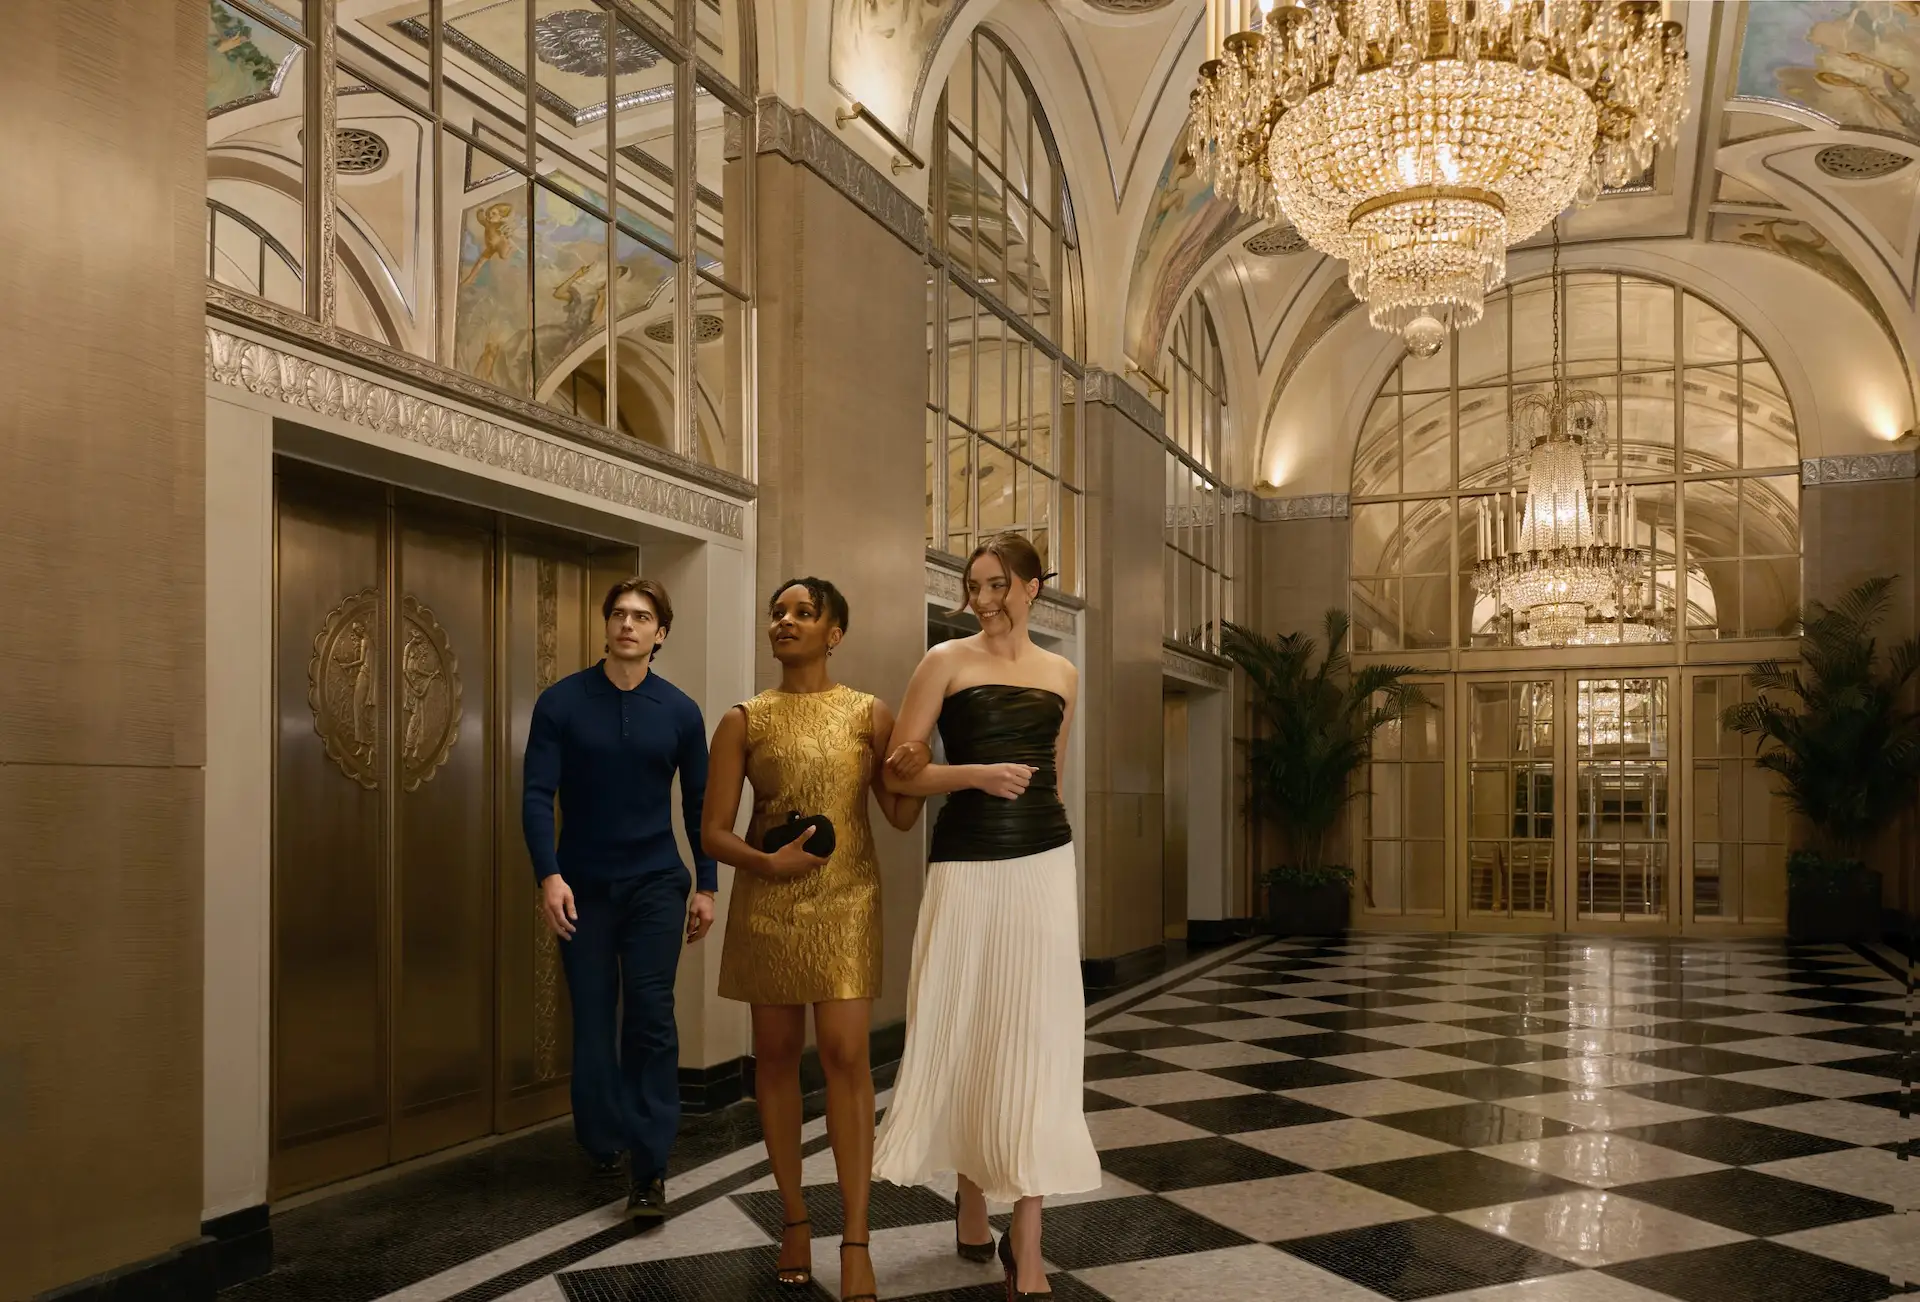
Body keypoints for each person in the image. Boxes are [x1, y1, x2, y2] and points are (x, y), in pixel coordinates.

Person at [871, 534, 1099, 1300]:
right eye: (973, 586)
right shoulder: (944, 662)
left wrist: (1045, 840)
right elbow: (901, 773)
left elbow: (1054, 780)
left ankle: (1025, 1245)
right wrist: (972, 773)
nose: (984, 599)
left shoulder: (1063, 672)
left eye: (998, 584)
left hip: (1041, 867)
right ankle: (971, 1197)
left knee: (1038, 1040)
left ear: (1033, 588)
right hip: (965, 867)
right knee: (968, 1022)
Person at [703, 578, 922, 1302]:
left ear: (834, 633)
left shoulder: (868, 713)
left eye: (803, 613)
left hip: (847, 898)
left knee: (846, 1054)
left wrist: (912, 774)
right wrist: (767, 863)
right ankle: (794, 1218)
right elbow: (711, 832)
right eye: (777, 612)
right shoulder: (745, 719)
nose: (784, 622)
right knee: (773, 1058)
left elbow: (898, 818)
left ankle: (855, 1236)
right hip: (769, 899)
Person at [522, 577, 718, 1227]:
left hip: (657, 882)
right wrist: (548, 876)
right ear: (606, 625)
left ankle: (651, 1164)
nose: (628, 624)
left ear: (660, 633)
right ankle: (602, 1134)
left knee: (652, 1018)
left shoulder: (681, 712)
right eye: (619, 614)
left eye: (643, 617)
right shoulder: (562, 703)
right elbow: (534, 795)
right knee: (594, 1018)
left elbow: (699, 806)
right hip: (582, 884)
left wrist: (708, 883)